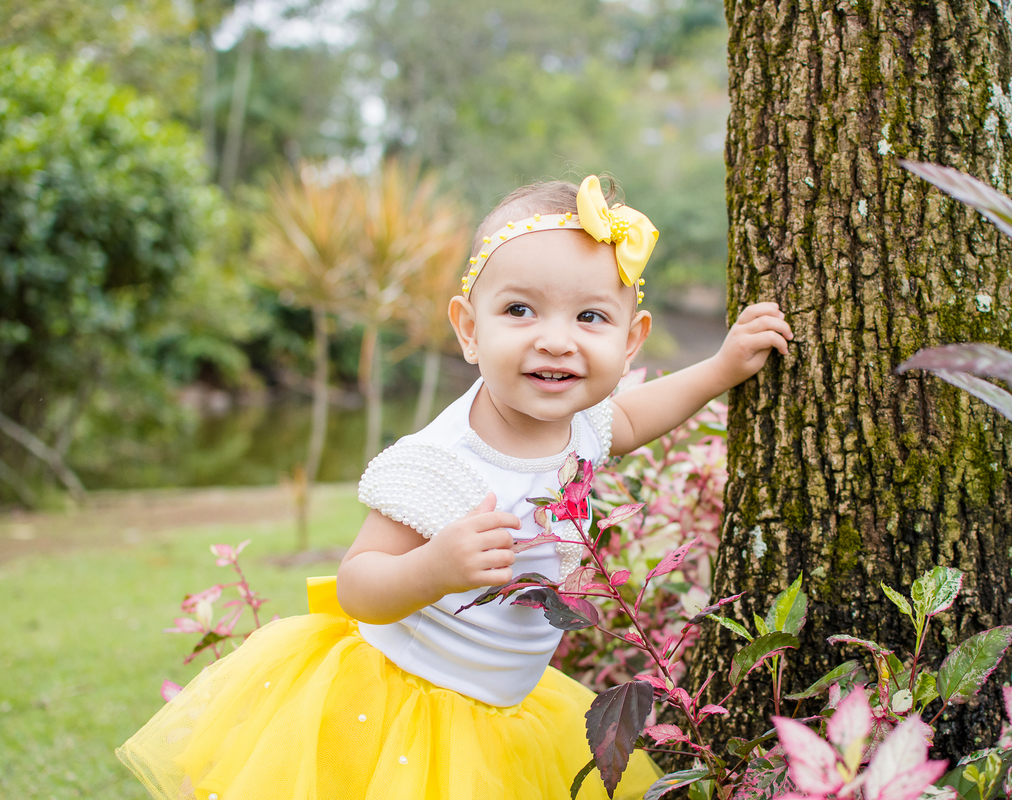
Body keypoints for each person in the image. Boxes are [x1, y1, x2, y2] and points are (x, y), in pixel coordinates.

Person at [117, 175, 793, 800]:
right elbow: (358, 585)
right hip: (404, 708)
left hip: (509, 711)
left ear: (631, 342)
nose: (557, 341)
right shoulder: (443, 459)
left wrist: (722, 367)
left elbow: (640, 415)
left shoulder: (582, 423)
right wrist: (435, 568)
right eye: (521, 310)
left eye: (590, 318)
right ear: (470, 329)